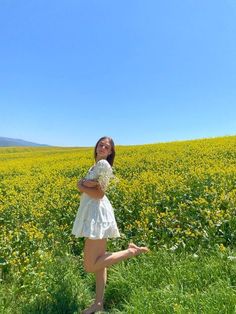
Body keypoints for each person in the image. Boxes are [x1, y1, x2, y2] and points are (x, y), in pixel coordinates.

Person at [72, 136, 149, 314]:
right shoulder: (95, 165)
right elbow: (93, 188)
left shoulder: (104, 166)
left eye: (107, 147)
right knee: (100, 262)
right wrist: (86, 184)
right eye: (101, 144)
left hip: (97, 216)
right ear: (96, 146)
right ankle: (98, 304)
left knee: (90, 266)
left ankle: (131, 251)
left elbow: (99, 194)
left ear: (111, 152)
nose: (103, 148)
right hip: (92, 214)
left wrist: (81, 185)